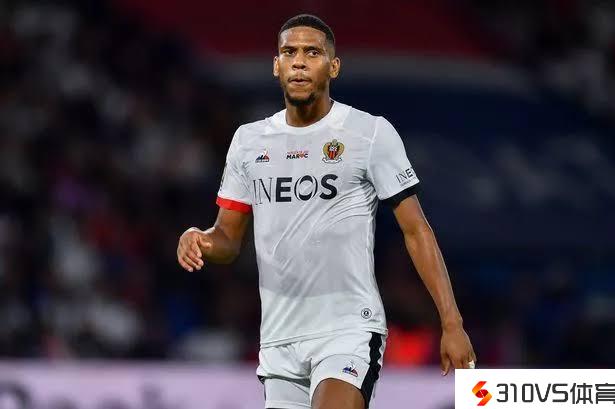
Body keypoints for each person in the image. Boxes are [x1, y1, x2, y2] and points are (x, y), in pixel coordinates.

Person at [177, 14, 476, 409]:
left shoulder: (368, 133)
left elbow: (416, 229)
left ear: (333, 66)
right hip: (279, 339)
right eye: (289, 52)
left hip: (348, 331)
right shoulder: (249, 141)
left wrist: (452, 322)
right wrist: (200, 238)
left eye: (312, 53)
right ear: (276, 65)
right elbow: (228, 239)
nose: (299, 62)